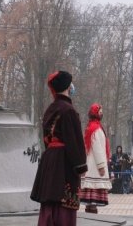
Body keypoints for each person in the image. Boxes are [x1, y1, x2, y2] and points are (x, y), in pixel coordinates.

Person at [31, 71, 87, 226]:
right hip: (64, 163)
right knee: (64, 208)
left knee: (49, 205)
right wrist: (81, 166)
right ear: (69, 86)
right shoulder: (68, 110)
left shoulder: (50, 109)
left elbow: (46, 139)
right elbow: (74, 141)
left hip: (49, 160)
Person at [79, 103, 112, 214]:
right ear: (95, 113)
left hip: (90, 167)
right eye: (100, 111)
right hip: (95, 169)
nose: (102, 113)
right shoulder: (96, 128)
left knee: (89, 202)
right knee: (93, 202)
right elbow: (98, 149)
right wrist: (101, 166)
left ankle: (90, 219)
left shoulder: (90, 127)